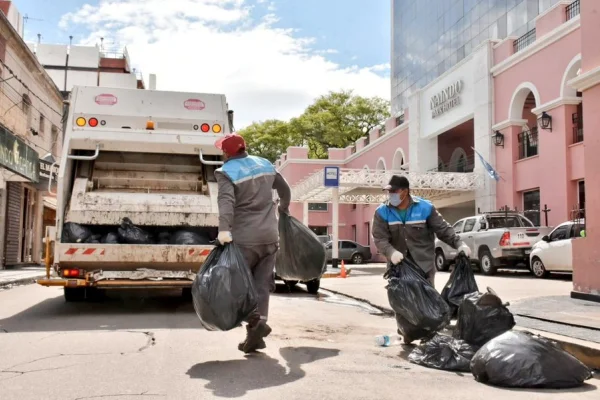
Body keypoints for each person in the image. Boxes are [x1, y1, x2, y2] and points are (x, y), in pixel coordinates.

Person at [214, 133, 291, 353]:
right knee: (262, 286)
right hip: (269, 236)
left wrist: (224, 230)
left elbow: (226, 202)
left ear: (227, 152)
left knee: (237, 286)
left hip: (244, 239)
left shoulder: (226, 172)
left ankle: (256, 323)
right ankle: (255, 336)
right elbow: (285, 190)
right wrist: (283, 209)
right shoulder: (265, 164)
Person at [372, 175, 471, 343]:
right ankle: (408, 334)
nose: (391, 195)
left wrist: (460, 244)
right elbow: (380, 238)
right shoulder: (382, 212)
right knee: (402, 301)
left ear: (405, 191)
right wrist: (391, 252)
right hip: (398, 266)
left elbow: (443, 229)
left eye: (394, 191)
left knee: (427, 302)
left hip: (423, 264)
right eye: (389, 192)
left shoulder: (425, 208)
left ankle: (428, 336)